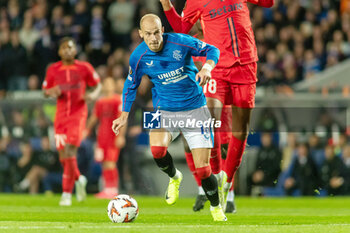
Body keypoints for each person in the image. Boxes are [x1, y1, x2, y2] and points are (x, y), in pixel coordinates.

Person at [159, 0, 275, 212]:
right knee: (206, 124)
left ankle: (227, 185)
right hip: (217, 70)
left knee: (239, 132)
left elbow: (268, 3)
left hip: (246, 65)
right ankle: (208, 183)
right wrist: (166, 4)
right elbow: (181, 28)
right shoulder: (195, 9)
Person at [112, 14, 226, 221]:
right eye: (148, 34)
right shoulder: (138, 57)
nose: (154, 38)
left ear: (162, 29)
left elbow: (212, 49)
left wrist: (207, 67)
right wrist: (123, 115)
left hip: (195, 109)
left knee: (203, 170)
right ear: (140, 34)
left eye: (156, 32)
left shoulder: (179, 42)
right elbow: (131, 85)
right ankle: (175, 177)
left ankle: (216, 207)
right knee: (156, 151)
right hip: (163, 110)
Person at [42, 37, 101, 206]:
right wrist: (51, 91)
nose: (67, 50)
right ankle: (79, 179)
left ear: (75, 51)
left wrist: (93, 95)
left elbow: (97, 85)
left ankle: (66, 194)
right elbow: (45, 90)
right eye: (63, 48)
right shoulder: (53, 69)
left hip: (78, 114)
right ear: (59, 52)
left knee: (69, 151)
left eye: (70, 48)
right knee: (63, 156)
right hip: (60, 117)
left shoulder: (84, 68)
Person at [84, 77, 126, 199]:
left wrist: (121, 136)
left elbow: (123, 119)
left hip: (113, 136)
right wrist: (86, 130)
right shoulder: (100, 102)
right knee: (103, 162)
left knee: (110, 163)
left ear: (114, 86)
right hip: (102, 136)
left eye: (110, 83)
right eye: (105, 83)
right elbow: (94, 118)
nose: (107, 85)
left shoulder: (118, 100)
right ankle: (107, 189)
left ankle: (113, 189)